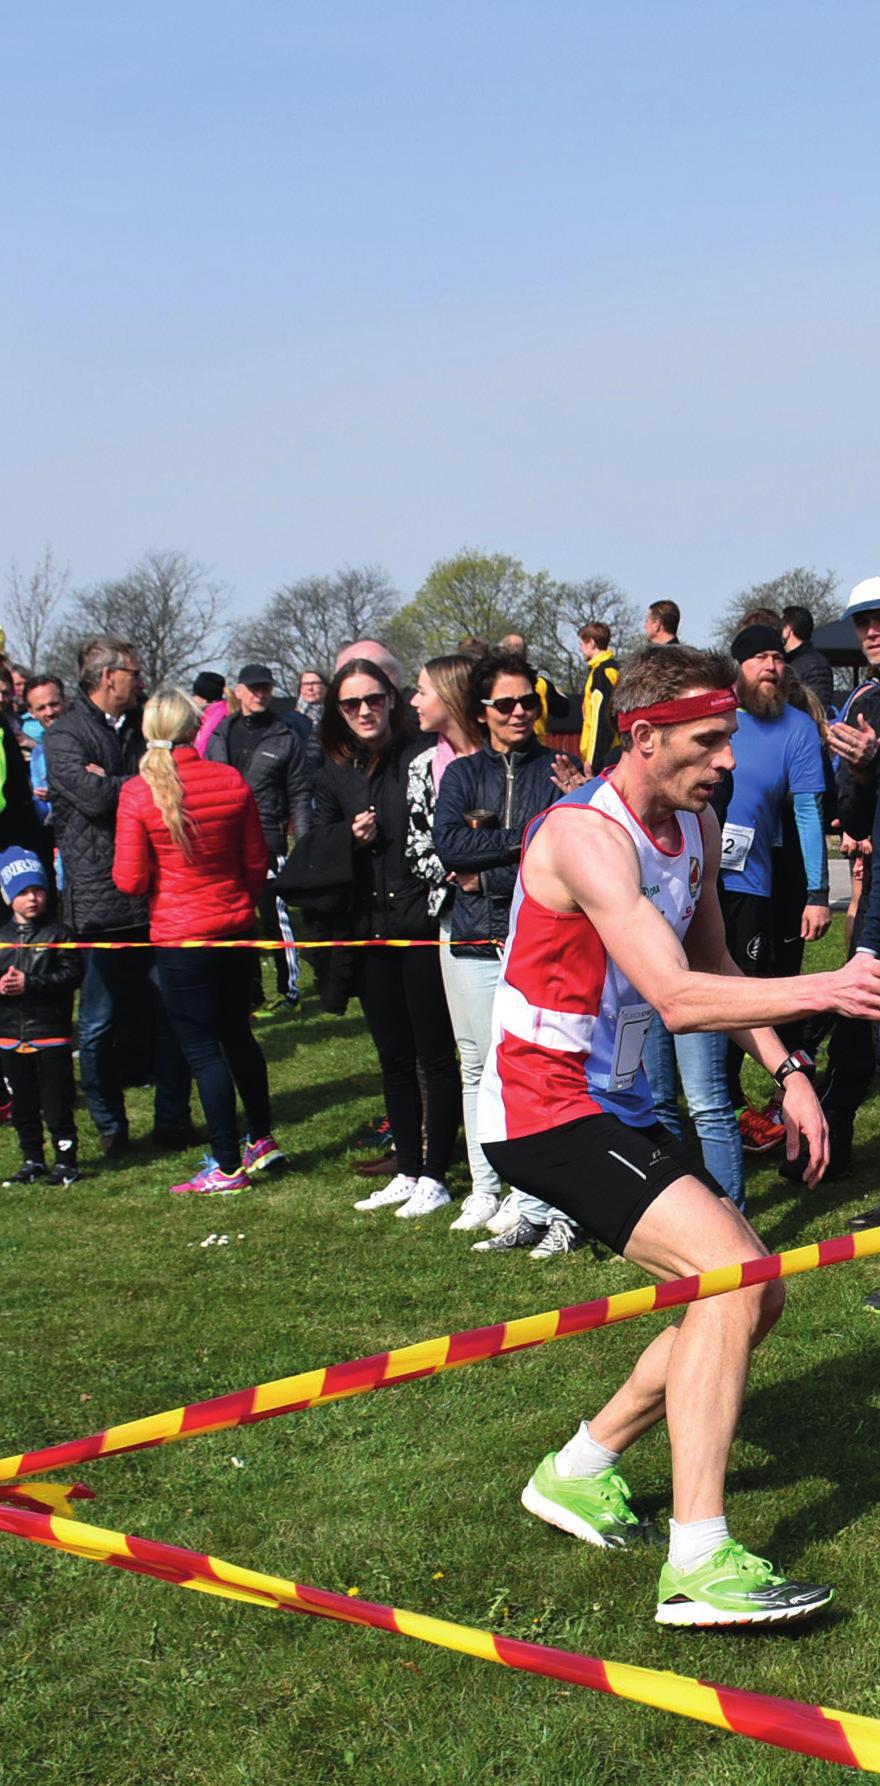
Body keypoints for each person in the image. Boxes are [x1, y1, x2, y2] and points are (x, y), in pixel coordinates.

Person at [476, 642, 880, 1626]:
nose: (728, 760)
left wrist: (785, 1069)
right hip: (542, 1108)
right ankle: (696, 1559)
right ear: (644, 737)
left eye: (731, 739)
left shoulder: (693, 822)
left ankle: (579, 1467)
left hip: (611, 1104)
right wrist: (830, 987)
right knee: (731, 1279)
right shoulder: (584, 837)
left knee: (753, 1291)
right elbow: (675, 995)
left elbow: (717, 962)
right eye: (708, 742)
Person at [285, 658, 461, 1220]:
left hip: (420, 927)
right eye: (351, 703)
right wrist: (348, 838)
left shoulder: (422, 757)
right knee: (392, 1056)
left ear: (392, 699)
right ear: (337, 712)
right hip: (368, 931)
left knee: (436, 1056)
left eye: (375, 699)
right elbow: (313, 849)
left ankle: (436, 1172)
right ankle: (407, 1166)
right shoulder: (334, 770)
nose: (365, 711)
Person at [433, 650, 584, 1254]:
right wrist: (526, 842)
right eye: (507, 704)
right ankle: (493, 1192)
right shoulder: (464, 775)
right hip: (473, 933)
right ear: (483, 711)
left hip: (542, 939)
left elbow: (572, 839)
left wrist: (489, 852)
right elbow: (449, 847)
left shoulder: (561, 766)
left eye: (530, 702)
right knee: (480, 1069)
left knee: (544, 1071)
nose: (521, 712)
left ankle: (558, 1206)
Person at [113, 687, 282, 1196]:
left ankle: (227, 1164)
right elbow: (257, 861)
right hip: (233, 927)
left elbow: (129, 878)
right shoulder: (229, 779)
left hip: (180, 935)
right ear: (194, 728)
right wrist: (237, 902)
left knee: (203, 1050)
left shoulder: (138, 793)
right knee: (238, 1036)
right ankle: (261, 1139)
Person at [43, 635, 193, 1154]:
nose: (140, 679)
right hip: (99, 905)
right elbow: (91, 796)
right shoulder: (63, 736)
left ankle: (172, 1118)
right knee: (99, 1023)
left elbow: (164, 781)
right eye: (133, 671)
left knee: (173, 1014)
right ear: (109, 676)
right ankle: (110, 1126)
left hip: (151, 895)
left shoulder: (140, 729)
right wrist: (140, 783)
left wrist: (120, 781)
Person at [719, 625, 829, 1149]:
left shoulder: (797, 728)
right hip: (694, 878)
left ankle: (741, 1104)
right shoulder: (716, 718)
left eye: (777, 657)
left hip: (755, 884)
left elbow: (808, 810)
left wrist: (816, 893)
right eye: (758, 657)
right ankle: (718, 1104)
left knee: (747, 992)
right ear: (737, 666)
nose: (771, 666)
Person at [206, 663, 312, 1009]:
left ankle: (289, 990)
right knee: (238, 919)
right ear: (238, 692)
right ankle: (250, 994)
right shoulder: (221, 734)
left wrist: (304, 844)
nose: (260, 694)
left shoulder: (286, 737)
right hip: (224, 839)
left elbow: (298, 793)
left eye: (265, 687)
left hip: (268, 837)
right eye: (253, 688)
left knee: (274, 916)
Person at [0, 846, 82, 1186]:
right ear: (7, 897)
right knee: (23, 1105)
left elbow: (72, 976)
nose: (32, 898)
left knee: (57, 1101)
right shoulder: (2, 938)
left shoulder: (59, 933)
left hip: (50, 1032)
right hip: (8, 1035)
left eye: (38, 890)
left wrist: (30, 983)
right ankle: (32, 1158)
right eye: (22, 892)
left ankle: (66, 1161)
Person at [497, 633, 570, 741]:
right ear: (526, 655)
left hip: (503, 745)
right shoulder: (541, 683)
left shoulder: (494, 684)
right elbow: (564, 709)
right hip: (536, 747)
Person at [577, 622, 619, 773]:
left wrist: (594, 761)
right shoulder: (613, 669)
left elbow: (600, 721)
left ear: (592, 643)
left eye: (582, 644)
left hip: (605, 757)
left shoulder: (601, 673)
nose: (580, 649)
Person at [781, 605, 834, 710]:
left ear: (787, 630)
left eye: (780, 627)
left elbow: (818, 707)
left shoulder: (815, 666)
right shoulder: (792, 661)